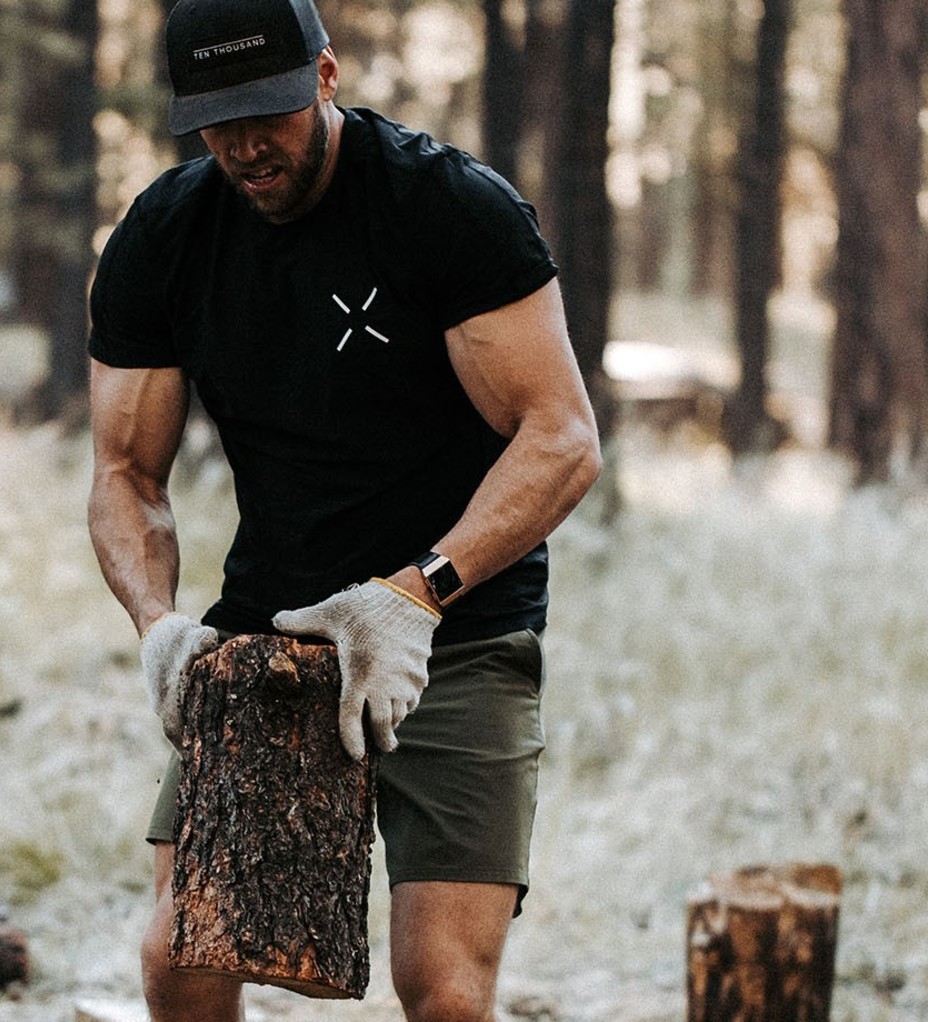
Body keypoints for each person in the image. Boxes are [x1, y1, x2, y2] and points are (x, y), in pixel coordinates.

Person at [86, 0, 601, 1017]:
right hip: (270, 629)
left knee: (444, 988)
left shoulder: (443, 206)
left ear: (326, 76)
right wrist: (157, 623)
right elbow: (123, 473)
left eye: (268, 112)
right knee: (180, 958)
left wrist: (415, 596)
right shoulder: (167, 233)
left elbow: (561, 436)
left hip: (456, 626)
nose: (244, 145)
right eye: (218, 120)